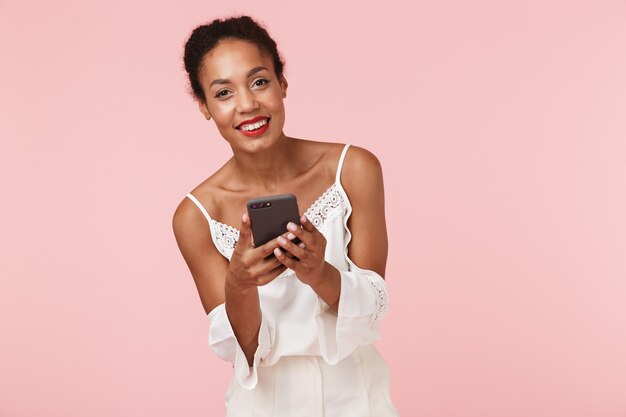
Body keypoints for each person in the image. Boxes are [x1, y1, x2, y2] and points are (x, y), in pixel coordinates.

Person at [172, 15, 399, 417]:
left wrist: (318, 272)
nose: (247, 104)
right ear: (205, 107)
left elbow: (372, 314)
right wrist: (240, 283)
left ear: (283, 83)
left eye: (259, 81)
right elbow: (241, 350)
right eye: (223, 92)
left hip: (359, 399)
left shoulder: (353, 168)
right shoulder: (196, 216)